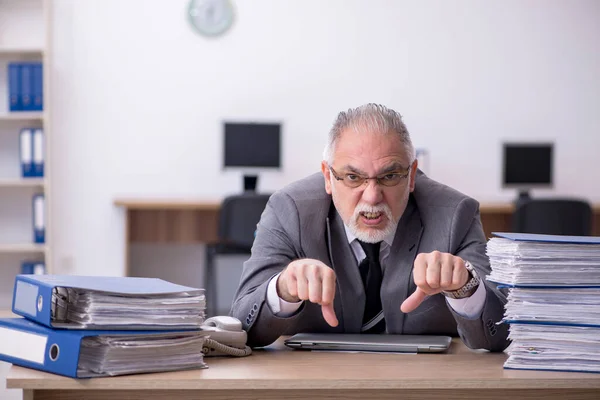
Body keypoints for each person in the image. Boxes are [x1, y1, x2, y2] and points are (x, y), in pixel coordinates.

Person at [230, 103, 509, 351]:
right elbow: (243, 325)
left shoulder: (455, 214)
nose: (372, 196)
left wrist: (465, 287)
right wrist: (283, 289)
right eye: (353, 177)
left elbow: (500, 334)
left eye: (389, 176)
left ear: (411, 176)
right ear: (328, 176)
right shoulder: (288, 209)